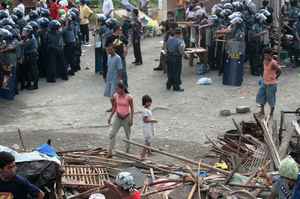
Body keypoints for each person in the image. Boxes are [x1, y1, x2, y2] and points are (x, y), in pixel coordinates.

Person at [107, 82, 134, 158]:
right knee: (112, 134)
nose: (117, 90)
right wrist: (110, 117)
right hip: (117, 117)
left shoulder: (129, 97)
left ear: (122, 89)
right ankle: (110, 151)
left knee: (128, 135)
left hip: (126, 117)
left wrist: (131, 119)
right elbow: (114, 107)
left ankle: (127, 150)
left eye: (118, 89)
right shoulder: (116, 95)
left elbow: (132, 109)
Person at [256, 48, 281, 118]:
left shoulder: (273, 63)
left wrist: (275, 78)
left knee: (271, 99)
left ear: (271, 55)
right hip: (264, 83)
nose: (266, 57)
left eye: (267, 55)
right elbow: (265, 70)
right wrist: (263, 78)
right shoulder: (264, 61)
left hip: (271, 85)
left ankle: (271, 114)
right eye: (265, 55)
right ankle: (262, 112)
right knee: (261, 97)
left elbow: (279, 71)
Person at [104, 41, 123, 108]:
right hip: (109, 77)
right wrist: (106, 77)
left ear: (114, 49)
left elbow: (120, 69)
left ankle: (115, 107)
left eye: (110, 49)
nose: (109, 51)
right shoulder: (109, 56)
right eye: (108, 49)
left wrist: (120, 79)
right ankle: (113, 107)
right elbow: (108, 67)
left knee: (113, 95)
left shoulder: (118, 58)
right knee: (110, 94)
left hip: (115, 79)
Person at [166, 27, 185, 92]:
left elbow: (166, 48)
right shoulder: (180, 41)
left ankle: (168, 84)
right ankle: (176, 86)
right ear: (180, 33)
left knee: (170, 71)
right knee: (176, 72)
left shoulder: (169, 39)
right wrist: (184, 54)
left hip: (169, 57)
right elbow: (181, 50)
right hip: (176, 57)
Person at [21, 25, 39, 90]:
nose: (23, 32)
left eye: (25, 31)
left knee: (34, 70)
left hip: (32, 55)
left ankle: (35, 85)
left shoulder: (30, 39)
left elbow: (23, 45)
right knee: (28, 70)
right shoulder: (29, 37)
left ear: (29, 32)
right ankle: (29, 83)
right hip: (29, 55)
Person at [140, 95, 157, 159]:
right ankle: (143, 154)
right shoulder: (145, 111)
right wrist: (153, 120)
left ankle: (149, 152)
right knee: (147, 140)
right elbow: (145, 120)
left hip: (149, 126)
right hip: (147, 127)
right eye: (148, 102)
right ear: (145, 102)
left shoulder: (148, 109)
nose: (149, 103)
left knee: (149, 140)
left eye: (150, 102)